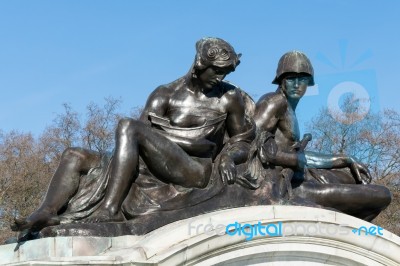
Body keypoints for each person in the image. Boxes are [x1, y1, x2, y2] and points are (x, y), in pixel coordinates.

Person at [12, 37, 253, 234]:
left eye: (225, 72)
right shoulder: (165, 94)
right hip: (154, 165)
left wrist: (229, 156)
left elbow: (242, 138)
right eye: (217, 71)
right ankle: (46, 211)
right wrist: (188, 141)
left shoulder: (229, 98)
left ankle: (110, 208)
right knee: (74, 154)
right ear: (200, 64)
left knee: (128, 126)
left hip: (194, 171)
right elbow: (139, 141)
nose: (221, 78)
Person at [253, 51, 391, 221]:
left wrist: (346, 159)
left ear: (308, 83)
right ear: (281, 81)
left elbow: (299, 156)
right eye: (290, 79)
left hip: (299, 177)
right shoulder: (274, 101)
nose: (297, 84)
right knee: (381, 195)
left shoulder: (289, 108)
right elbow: (252, 143)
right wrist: (293, 160)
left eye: (302, 79)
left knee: (351, 179)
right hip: (285, 185)